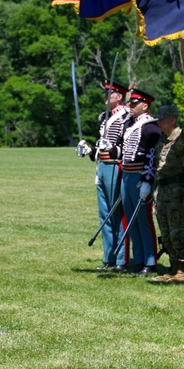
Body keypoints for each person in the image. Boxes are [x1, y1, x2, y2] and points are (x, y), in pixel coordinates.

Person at [77, 81, 129, 271]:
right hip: (102, 167)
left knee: (117, 214)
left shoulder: (126, 117)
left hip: (116, 166)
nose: (105, 97)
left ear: (119, 96)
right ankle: (109, 257)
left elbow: (125, 146)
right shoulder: (104, 117)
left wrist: (112, 149)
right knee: (104, 214)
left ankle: (122, 257)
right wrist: (90, 150)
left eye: (110, 93)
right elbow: (101, 147)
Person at [109, 89, 161, 274]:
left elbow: (151, 156)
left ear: (144, 106)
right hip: (127, 174)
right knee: (131, 219)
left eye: (134, 104)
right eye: (130, 103)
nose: (129, 107)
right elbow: (125, 152)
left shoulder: (150, 127)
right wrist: (105, 149)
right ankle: (138, 260)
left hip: (140, 176)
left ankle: (150, 261)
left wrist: (147, 180)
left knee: (144, 220)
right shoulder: (130, 125)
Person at [150, 104, 184, 282]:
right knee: (165, 231)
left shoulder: (181, 138)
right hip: (162, 190)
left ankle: (182, 268)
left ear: (172, 120)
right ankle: (173, 267)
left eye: (161, 118)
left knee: (177, 231)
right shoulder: (162, 139)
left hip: (177, 190)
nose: (158, 121)